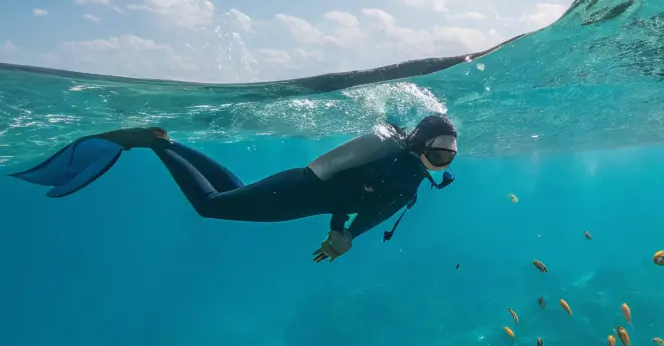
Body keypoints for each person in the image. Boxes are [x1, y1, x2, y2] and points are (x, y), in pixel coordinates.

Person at [10, 114, 458, 263]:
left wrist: (347, 233)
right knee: (210, 206)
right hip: (299, 190)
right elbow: (327, 172)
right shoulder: (389, 154)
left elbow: (369, 207)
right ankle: (152, 145)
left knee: (235, 190)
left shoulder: (411, 175)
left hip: (300, 197)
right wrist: (343, 228)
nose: (442, 163)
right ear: (420, 142)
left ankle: (167, 142)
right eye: (439, 152)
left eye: (450, 157)